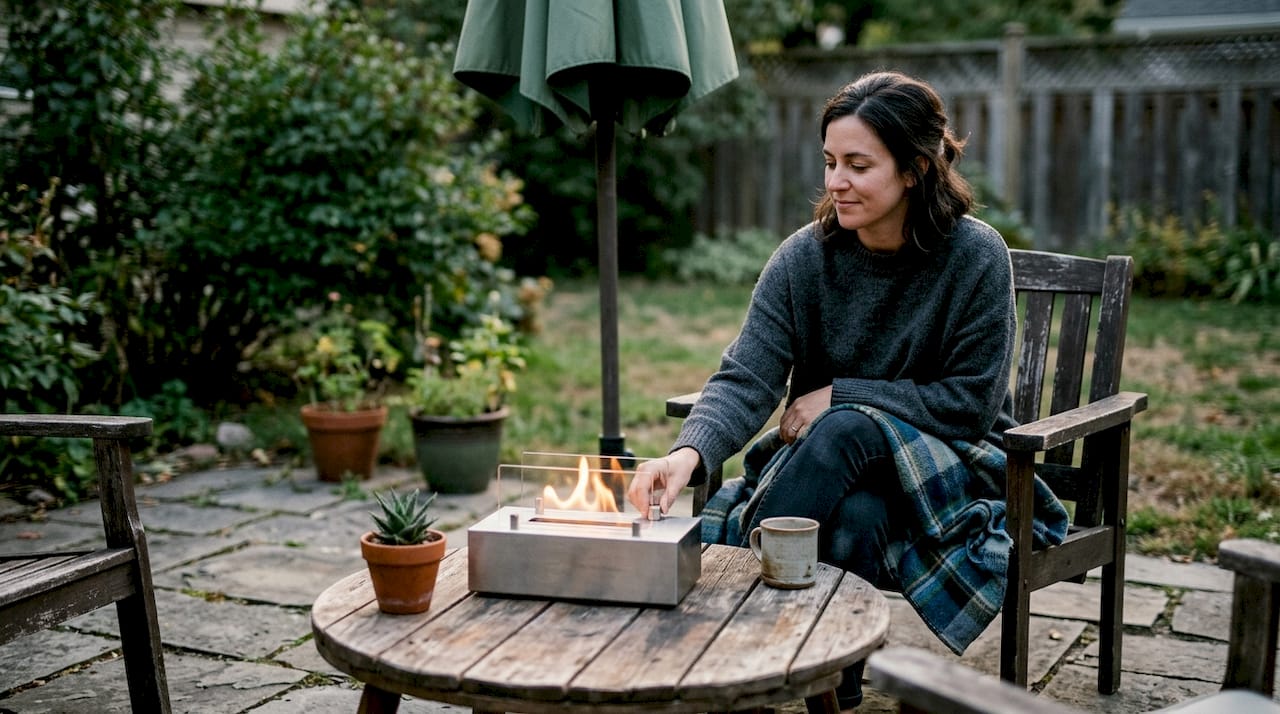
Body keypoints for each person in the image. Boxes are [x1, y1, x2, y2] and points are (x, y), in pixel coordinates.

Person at [626, 71, 1067, 710]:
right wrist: (686, 454)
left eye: (858, 165)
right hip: (834, 477)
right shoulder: (805, 259)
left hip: (952, 468)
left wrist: (842, 396)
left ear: (915, 169)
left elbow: (970, 405)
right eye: (830, 162)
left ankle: (722, 625)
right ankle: (833, 687)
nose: (836, 182)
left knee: (848, 424)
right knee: (855, 515)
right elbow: (747, 375)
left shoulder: (975, 257)